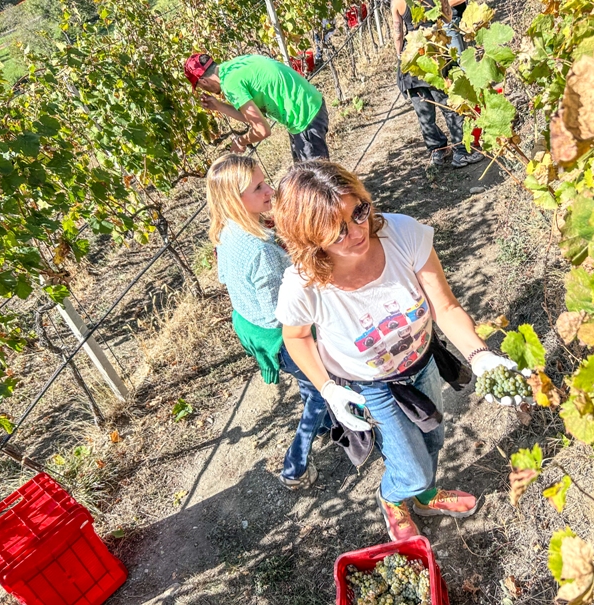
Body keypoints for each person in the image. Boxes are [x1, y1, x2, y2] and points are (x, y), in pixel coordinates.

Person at [273, 161, 520, 541]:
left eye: (358, 211)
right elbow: (296, 337)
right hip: (371, 385)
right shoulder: (304, 284)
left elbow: (445, 307)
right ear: (310, 240)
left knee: (434, 439)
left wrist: (479, 355)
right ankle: (394, 497)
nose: (357, 231)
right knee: (413, 466)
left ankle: (423, 497)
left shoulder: (401, 233)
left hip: (422, 362)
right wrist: (327, 388)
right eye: (337, 231)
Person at [206, 153, 329, 490]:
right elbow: (283, 310)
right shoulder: (261, 248)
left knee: (307, 380)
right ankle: (295, 465)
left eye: (264, 181)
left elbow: (226, 277)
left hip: (248, 324)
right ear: (235, 199)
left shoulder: (227, 231)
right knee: (323, 385)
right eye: (258, 187)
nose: (269, 189)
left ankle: (324, 425)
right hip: (275, 332)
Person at [185, 53, 330, 162]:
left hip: (304, 118)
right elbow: (254, 118)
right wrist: (219, 106)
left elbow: (262, 130)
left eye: (199, 87)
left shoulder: (230, 85)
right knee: (304, 181)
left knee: (319, 188)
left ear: (203, 81)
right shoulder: (235, 65)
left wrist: (241, 141)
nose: (205, 91)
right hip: (310, 104)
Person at [391, 0, 483, 168]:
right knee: (449, 106)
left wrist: (401, 55)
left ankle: (437, 151)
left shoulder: (396, 1)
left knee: (424, 112)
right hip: (434, 51)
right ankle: (461, 152)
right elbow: (448, 18)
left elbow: (397, 32)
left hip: (412, 55)